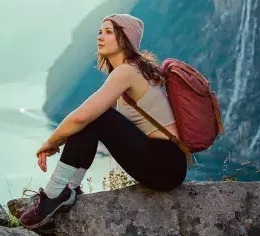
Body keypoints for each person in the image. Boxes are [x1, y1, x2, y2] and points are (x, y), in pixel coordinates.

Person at [20, 13, 188, 230]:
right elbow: (85, 121)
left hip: (164, 164)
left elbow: (81, 116)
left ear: (125, 39)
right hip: (168, 164)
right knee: (94, 119)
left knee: (96, 116)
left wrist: (51, 143)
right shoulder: (134, 70)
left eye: (109, 32)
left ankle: (54, 194)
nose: (100, 36)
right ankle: (68, 189)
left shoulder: (127, 72)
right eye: (100, 31)